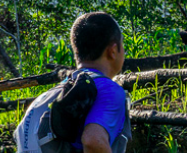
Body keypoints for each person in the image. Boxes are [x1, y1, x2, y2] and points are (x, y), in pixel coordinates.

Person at [15, 12, 130, 153]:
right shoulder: (108, 90)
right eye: (122, 45)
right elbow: (93, 141)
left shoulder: (43, 99)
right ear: (112, 51)